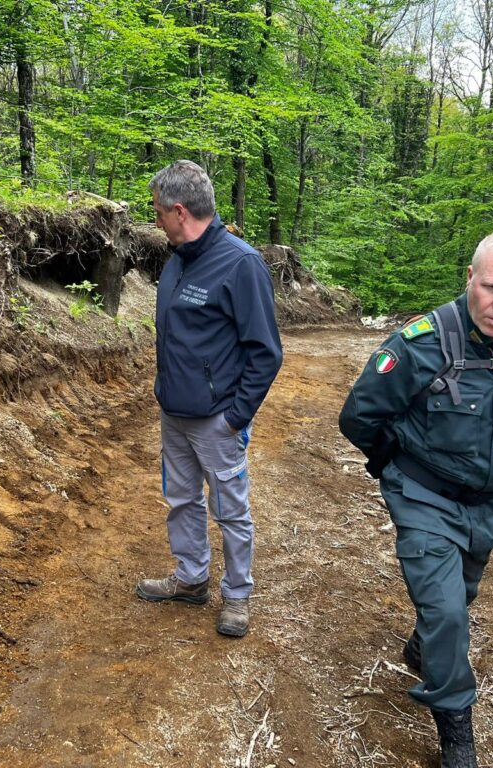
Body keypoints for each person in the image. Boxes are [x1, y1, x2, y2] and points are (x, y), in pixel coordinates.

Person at [338, 228, 493, 767]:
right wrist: (403, 470)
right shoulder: (421, 344)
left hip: (491, 506)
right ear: (470, 278)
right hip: (423, 497)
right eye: (491, 288)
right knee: (448, 614)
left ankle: (424, 648)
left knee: (462, 594)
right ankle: (456, 728)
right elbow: (359, 418)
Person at [136, 160, 283, 638]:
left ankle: (237, 596)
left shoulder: (240, 264)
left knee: (230, 510)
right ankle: (191, 578)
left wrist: (234, 417)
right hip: (173, 414)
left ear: (179, 211)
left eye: (158, 212)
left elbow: (266, 353)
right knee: (181, 499)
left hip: (217, 421)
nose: (155, 220)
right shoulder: (177, 257)